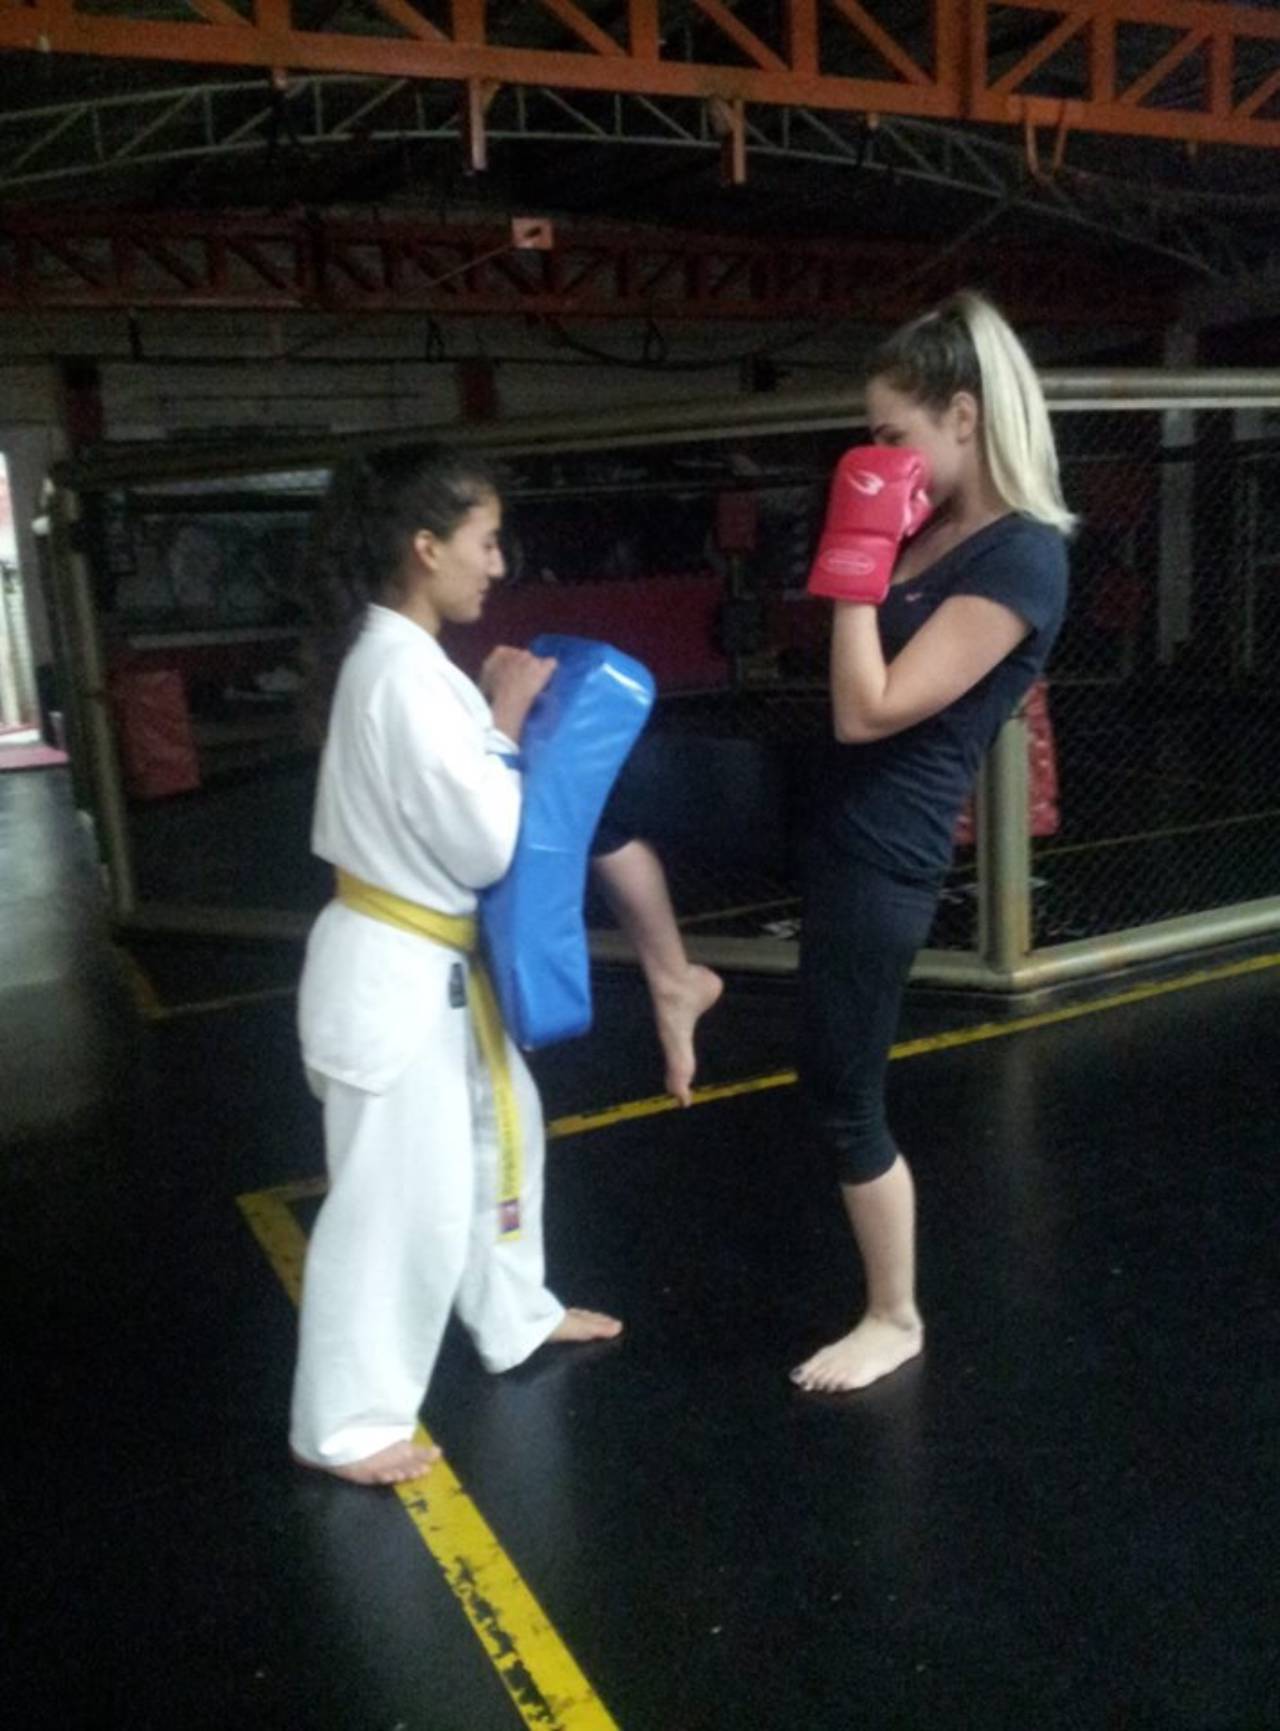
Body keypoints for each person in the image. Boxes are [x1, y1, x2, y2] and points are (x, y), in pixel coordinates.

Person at [289, 445, 622, 1487]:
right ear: (426, 547)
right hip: (393, 978)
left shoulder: (406, 662)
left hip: (422, 967)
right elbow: (485, 844)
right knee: (396, 1206)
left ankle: (513, 1315)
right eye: (485, 541)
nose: (497, 563)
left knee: (500, 1136)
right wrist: (506, 718)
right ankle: (344, 1425)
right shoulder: (400, 673)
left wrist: (486, 711)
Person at [790, 290, 1073, 1395]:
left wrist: (855, 552)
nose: (877, 456)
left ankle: (894, 1316)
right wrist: (874, 541)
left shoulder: (1023, 559)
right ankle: (676, 975)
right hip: (814, 800)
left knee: (840, 1090)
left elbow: (866, 709)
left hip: (881, 845)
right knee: (633, 779)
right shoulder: (927, 524)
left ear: (963, 416)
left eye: (891, 433)